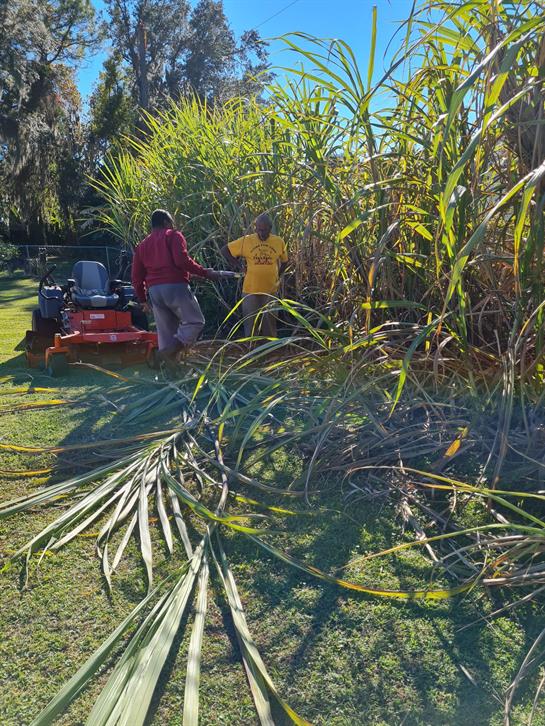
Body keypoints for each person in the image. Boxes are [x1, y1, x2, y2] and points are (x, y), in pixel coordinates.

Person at [132, 208, 221, 359]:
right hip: (175, 288)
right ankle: (167, 352)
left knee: (167, 333)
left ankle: (171, 372)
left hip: (154, 292)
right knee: (195, 321)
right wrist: (205, 273)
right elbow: (181, 261)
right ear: (166, 222)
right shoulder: (173, 236)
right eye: (171, 222)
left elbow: (136, 277)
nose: (173, 225)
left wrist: (142, 300)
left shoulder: (142, 245)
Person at [221, 213, 288, 337]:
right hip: (250, 290)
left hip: (270, 290)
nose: (262, 233)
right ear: (255, 228)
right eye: (259, 230)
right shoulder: (247, 240)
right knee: (250, 322)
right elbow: (225, 250)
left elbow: (285, 261)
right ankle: (251, 348)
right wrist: (238, 266)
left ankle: (270, 348)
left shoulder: (278, 241)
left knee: (270, 321)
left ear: (270, 227)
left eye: (265, 230)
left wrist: (278, 276)